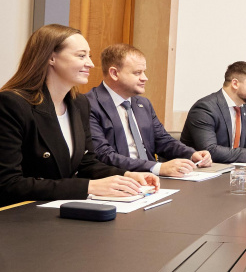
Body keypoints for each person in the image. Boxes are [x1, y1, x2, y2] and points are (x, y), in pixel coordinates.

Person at [0, 25, 158, 207]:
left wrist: (126, 176)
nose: (90, 63)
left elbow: (86, 162)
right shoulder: (11, 104)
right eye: (81, 56)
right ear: (51, 57)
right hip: (20, 216)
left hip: (61, 211)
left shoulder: (79, 103)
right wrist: (89, 187)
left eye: (89, 56)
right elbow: (9, 183)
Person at [87, 44, 211, 177]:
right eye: (137, 73)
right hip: (119, 179)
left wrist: (191, 154)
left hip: (152, 180)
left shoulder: (143, 104)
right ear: (114, 73)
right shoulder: (89, 104)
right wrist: (157, 167)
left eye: (144, 72)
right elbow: (103, 154)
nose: (144, 78)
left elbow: (163, 140)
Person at [181, 61, 246, 164]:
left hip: (231, 170)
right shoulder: (205, 108)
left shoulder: (245, 109)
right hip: (200, 172)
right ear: (235, 84)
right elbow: (210, 151)